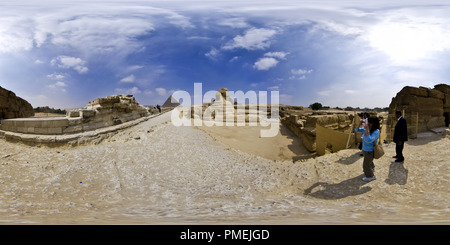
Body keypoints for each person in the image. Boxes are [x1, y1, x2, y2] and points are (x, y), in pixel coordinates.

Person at [355, 116, 380, 182]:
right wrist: (359, 123)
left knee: (365, 165)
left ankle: (371, 176)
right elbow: (356, 130)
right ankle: (372, 168)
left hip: (370, 150)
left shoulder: (376, 131)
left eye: (370, 123)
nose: (368, 124)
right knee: (369, 161)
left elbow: (369, 140)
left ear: (374, 123)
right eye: (368, 122)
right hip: (365, 149)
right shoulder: (367, 129)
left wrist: (367, 130)